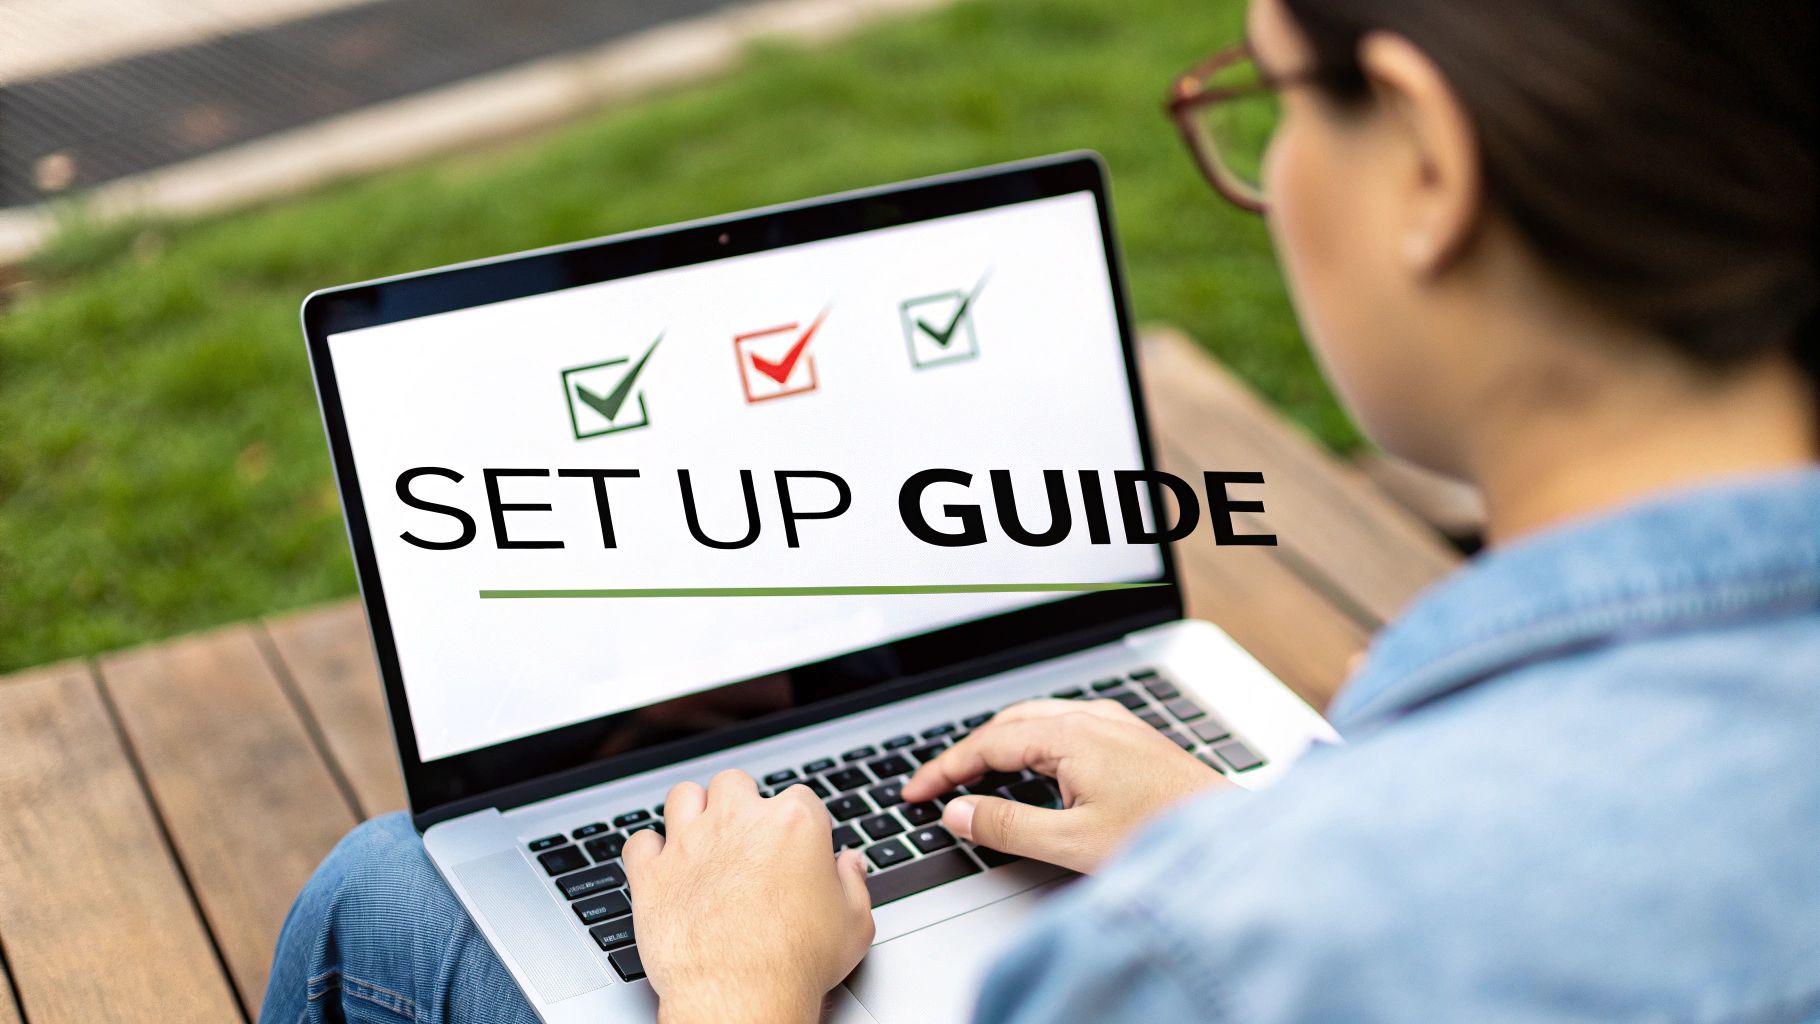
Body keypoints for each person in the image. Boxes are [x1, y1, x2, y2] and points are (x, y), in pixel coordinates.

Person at [262, 0, 1820, 1019]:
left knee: (381, 896)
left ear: (1425, 162)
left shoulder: (1225, 949)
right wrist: (1240, 823)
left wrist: (737, 986)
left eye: (1271, 94)